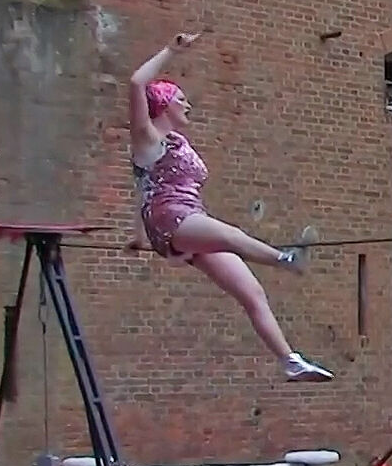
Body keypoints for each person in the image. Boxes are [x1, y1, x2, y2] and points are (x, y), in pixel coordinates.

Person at [128, 32, 331, 382]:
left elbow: (141, 186)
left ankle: (291, 361)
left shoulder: (178, 142)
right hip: (172, 217)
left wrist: (139, 237)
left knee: (251, 292)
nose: (188, 105)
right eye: (181, 99)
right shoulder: (147, 138)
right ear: (164, 104)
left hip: (189, 219)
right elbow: (136, 82)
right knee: (233, 236)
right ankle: (286, 259)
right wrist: (172, 50)